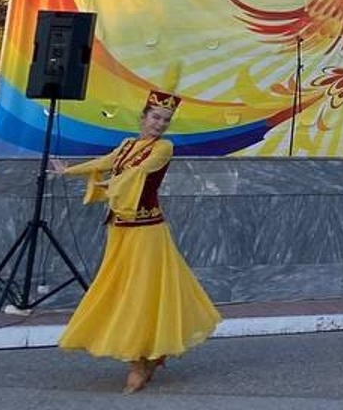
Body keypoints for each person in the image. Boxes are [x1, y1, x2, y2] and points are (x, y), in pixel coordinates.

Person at [52, 64, 221, 393]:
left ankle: (138, 361)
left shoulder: (163, 149)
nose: (159, 124)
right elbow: (106, 162)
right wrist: (69, 172)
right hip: (120, 229)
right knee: (119, 289)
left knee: (140, 293)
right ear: (143, 117)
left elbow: (137, 174)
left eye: (165, 120)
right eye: (155, 118)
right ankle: (146, 354)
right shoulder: (128, 143)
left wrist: (108, 186)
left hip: (147, 231)